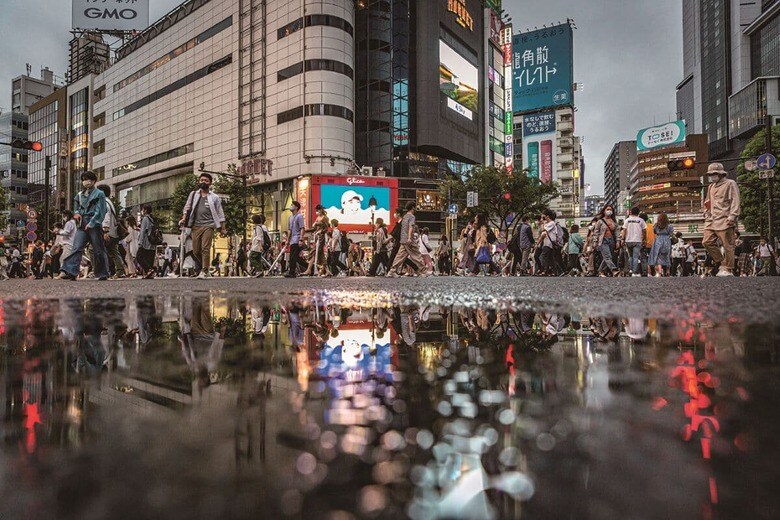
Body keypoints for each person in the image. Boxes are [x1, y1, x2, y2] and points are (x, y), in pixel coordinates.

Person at [57, 171, 110, 281]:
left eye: (88, 179)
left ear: (94, 181)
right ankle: (71, 271)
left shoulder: (99, 194)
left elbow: (101, 210)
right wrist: (76, 213)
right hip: (82, 223)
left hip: (94, 223)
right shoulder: (80, 195)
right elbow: (76, 208)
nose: (86, 182)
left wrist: (92, 223)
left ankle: (102, 273)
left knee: (98, 249)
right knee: (77, 247)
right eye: (84, 179)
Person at [180, 173, 227, 279]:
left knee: (205, 248)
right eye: (201, 180)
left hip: (209, 225)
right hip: (195, 226)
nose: (203, 182)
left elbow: (220, 213)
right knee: (196, 251)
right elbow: (187, 207)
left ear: (210, 183)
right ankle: (204, 268)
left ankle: (204, 270)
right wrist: (184, 218)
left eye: (206, 180)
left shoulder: (214, 197)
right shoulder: (193, 194)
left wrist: (222, 228)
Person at [702, 162, 740, 276]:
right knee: (706, 241)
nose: (712, 176)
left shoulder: (730, 183)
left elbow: (735, 200)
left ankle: (728, 268)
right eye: (711, 174)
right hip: (712, 219)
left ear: (721, 174)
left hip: (725, 218)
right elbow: (707, 201)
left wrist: (733, 215)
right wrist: (706, 212)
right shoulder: (711, 186)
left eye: (714, 174)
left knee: (728, 245)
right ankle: (721, 261)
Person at [388, 202, 426, 277]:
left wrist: (403, 238)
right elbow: (411, 227)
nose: (416, 209)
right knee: (417, 255)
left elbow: (403, 228)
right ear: (413, 208)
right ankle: (424, 271)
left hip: (403, 239)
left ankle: (392, 271)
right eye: (415, 207)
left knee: (400, 256)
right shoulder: (412, 216)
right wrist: (409, 238)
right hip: (409, 240)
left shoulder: (405, 217)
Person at [97, 184, 126, 278]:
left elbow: (106, 216)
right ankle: (120, 271)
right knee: (113, 252)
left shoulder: (104, 202)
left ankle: (99, 270)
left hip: (107, 232)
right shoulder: (109, 202)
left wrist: (105, 231)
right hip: (113, 232)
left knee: (92, 249)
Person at [592, 204, 621, 277]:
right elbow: (596, 232)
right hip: (603, 240)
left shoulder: (614, 221)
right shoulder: (600, 221)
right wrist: (595, 241)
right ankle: (614, 270)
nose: (609, 211)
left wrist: (618, 241)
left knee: (607, 257)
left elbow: (617, 232)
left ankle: (600, 271)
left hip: (612, 241)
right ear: (604, 211)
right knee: (608, 256)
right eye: (607, 209)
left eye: (610, 209)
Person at [621, 207, 647, 277]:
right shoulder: (641, 220)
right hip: (637, 240)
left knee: (630, 256)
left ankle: (631, 270)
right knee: (635, 257)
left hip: (628, 240)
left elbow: (624, 230)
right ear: (638, 213)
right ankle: (634, 272)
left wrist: (623, 239)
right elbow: (644, 231)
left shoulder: (627, 220)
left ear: (631, 212)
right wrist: (644, 239)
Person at [649, 213, 674, 277]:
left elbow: (654, 232)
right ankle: (668, 271)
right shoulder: (670, 226)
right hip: (667, 240)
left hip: (658, 240)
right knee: (667, 256)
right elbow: (671, 233)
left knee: (658, 256)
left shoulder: (656, 225)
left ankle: (660, 271)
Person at [285, 200, 306, 278]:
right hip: (292, 240)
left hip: (297, 239)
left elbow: (302, 228)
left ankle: (292, 272)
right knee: (296, 257)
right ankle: (310, 267)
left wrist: (301, 239)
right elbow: (289, 230)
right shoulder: (290, 218)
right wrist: (287, 240)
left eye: (292, 205)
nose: (291, 206)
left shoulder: (299, 216)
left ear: (296, 207)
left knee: (293, 256)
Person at [137, 204, 157, 279]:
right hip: (152, 242)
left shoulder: (145, 219)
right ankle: (150, 273)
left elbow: (142, 232)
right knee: (149, 258)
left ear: (145, 210)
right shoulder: (152, 219)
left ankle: (149, 270)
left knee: (139, 256)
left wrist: (140, 242)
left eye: (143, 210)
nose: (142, 211)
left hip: (146, 242)